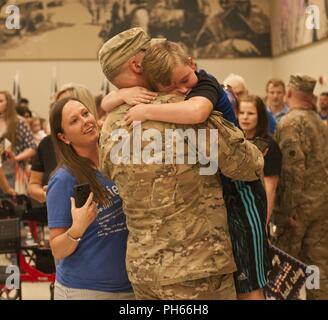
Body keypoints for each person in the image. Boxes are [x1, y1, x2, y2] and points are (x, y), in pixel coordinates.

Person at [99, 27, 264, 300]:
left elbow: (110, 172)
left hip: (144, 270)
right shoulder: (187, 113)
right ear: (138, 64)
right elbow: (248, 167)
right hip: (198, 271)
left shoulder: (110, 125)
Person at [46, 97, 134, 300]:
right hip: (86, 291)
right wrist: (77, 228)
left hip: (131, 286)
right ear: (64, 138)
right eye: (74, 120)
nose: (85, 121)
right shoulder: (64, 179)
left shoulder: (118, 160)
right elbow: (57, 250)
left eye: (85, 114)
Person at [273, 74, 328, 300]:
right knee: (318, 265)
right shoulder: (320, 122)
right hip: (322, 204)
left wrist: (286, 212)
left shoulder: (290, 123)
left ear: (288, 93)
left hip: (298, 209)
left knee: (286, 269)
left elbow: (292, 171)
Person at [28, 83, 98, 204]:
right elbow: (33, 185)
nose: (61, 108)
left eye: (85, 113)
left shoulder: (107, 140)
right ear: (63, 137)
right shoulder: (46, 144)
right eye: (57, 104)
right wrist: (53, 195)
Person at [238, 95, 282, 227]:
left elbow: (270, 190)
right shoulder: (234, 142)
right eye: (241, 112)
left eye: (250, 113)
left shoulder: (269, 146)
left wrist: (264, 224)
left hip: (256, 213)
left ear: (260, 116)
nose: (245, 117)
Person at [0, 91, 36, 195]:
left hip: (14, 172)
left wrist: (16, 158)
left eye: (1, 101)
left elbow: (32, 147)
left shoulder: (19, 122)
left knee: (14, 204)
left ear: (8, 103)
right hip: (1, 171)